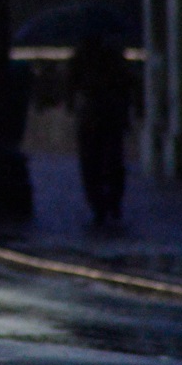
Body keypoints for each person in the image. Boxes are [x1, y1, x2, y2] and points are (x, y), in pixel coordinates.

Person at [66, 34, 134, 227]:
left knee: (91, 163)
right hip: (112, 115)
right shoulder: (114, 58)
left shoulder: (81, 57)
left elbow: (71, 85)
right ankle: (113, 201)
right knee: (113, 160)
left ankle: (98, 204)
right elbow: (127, 84)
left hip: (90, 116)